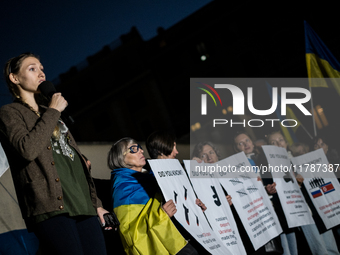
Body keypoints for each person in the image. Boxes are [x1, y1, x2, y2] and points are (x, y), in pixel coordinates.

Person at [0, 53, 108, 255]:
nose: (41, 73)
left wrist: (97, 205)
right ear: (15, 78)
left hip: (82, 203)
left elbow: (73, 159)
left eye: (41, 68)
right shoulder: (9, 112)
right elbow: (27, 150)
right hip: (49, 206)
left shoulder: (51, 111)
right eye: (32, 68)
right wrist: (53, 111)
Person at [108, 137, 199, 255]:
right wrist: (161, 215)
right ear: (121, 158)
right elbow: (130, 232)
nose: (141, 151)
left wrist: (193, 204)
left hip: (181, 235)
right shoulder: (123, 186)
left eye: (140, 148)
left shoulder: (152, 176)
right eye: (133, 149)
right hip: (166, 243)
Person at [267, 130, 339, 255]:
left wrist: (326, 169)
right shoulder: (270, 167)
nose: (278, 144)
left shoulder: (300, 157)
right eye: (273, 142)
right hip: (301, 211)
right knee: (319, 249)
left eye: (280, 140)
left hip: (318, 206)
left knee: (331, 246)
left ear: (286, 142)